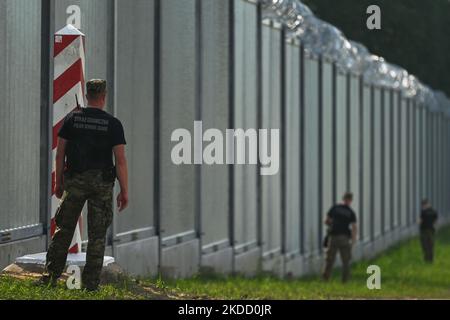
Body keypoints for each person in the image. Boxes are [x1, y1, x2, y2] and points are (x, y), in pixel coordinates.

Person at [36, 79, 129, 291]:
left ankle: (51, 276)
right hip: (102, 185)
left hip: (75, 182)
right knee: (97, 234)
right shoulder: (113, 124)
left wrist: (59, 182)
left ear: (87, 95)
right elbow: (120, 160)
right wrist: (124, 191)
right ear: (103, 96)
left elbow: (60, 154)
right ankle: (90, 284)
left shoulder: (72, 119)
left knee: (64, 229)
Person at [322, 192, 357, 283]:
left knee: (329, 260)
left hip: (333, 237)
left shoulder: (335, 208)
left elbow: (327, 221)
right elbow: (354, 227)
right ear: (351, 200)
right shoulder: (351, 213)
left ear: (343, 198)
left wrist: (332, 224)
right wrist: (353, 240)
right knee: (346, 261)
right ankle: (345, 281)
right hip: (344, 238)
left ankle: (326, 278)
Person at [419, 199, 438, 263]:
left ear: (424, 205)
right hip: (431, 230)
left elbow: (420, 221)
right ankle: (431, 259)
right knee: (431, 245)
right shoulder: (434, 211)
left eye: (423, 205)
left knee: (425, 245)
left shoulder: (423, 212)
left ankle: (426, 259)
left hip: (424, 230)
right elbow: (435, 221)